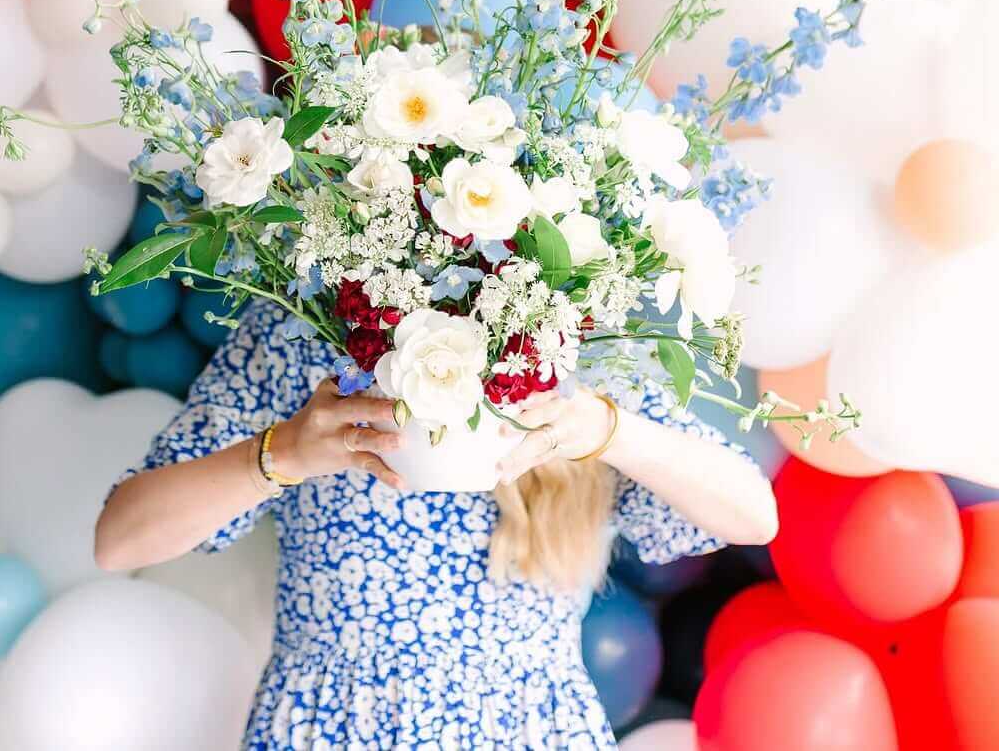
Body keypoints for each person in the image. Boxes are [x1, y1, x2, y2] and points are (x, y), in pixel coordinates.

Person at [96, 298, 777, 750]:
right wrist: (278, 454)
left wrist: (610, 429)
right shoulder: (305, 328)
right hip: (330, 730)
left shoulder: (580, 343)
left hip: (527, 732)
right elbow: (120, 539)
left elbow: (753, 514)